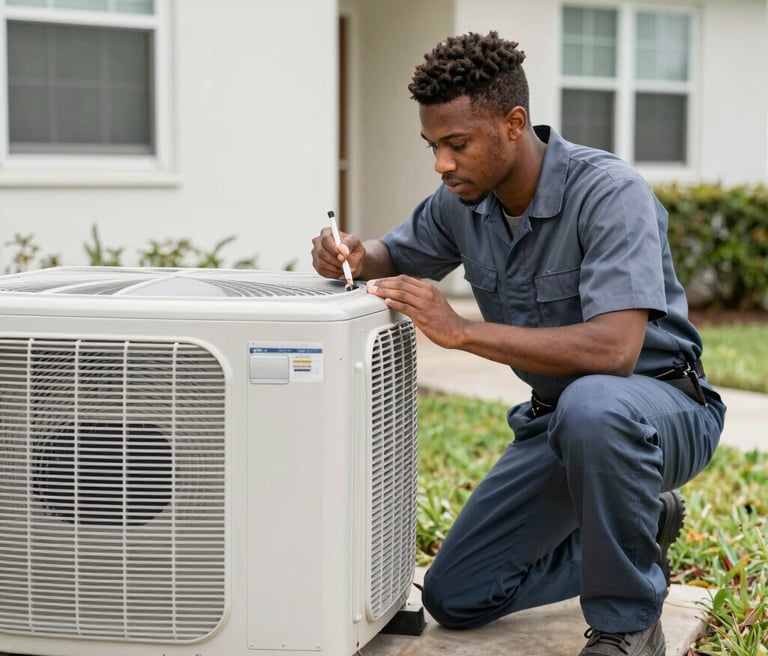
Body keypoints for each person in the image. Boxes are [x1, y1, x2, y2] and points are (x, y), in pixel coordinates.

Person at [311, 31, 726, 656]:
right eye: (433, 146)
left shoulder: (610, 194)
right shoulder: (463, 203)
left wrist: (464, 333)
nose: (441, 164)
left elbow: (615, 352)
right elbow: (392, 253)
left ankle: (627, 627)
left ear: (513, 123)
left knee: (595, 404)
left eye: (456, 145)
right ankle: (644, 523)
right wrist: (350, 253)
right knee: (457, 596)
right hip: (562, 426)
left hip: (662, 410)